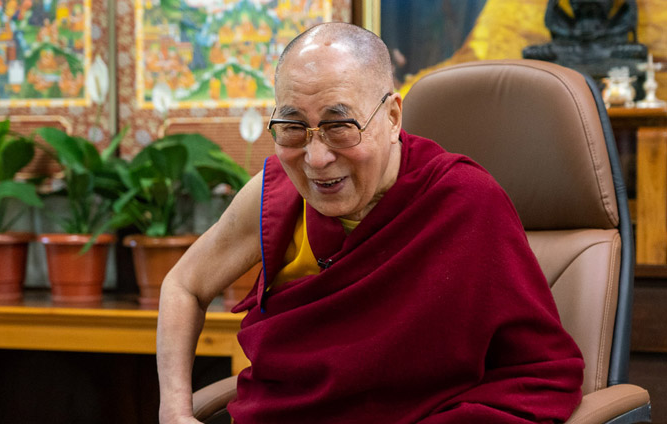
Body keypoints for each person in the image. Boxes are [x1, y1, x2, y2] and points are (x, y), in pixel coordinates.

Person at [157, 22, 584, 423]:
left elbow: (538, 368)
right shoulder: (277, 196)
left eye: (339, 126)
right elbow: (184, 285)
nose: (316, 158)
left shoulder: (466, 202)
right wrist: (174, 412)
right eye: (292, 127)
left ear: (393, 118)